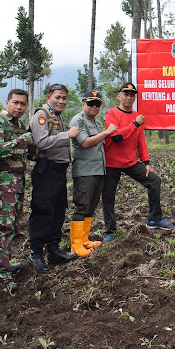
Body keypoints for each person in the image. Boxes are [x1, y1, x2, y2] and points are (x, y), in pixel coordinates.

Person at [102, 82, 173, 243]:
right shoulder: (111, 114)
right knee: (108, 197)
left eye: (132, 95)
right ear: (119, 96)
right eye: (125, 94)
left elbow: (141, 141)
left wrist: (146, 162)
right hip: (111, 163)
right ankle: (110, 231)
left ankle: (154, 219)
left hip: (130, 162)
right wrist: (135, 124)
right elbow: (116, 137)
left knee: (154, 180)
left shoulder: (137, 116)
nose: (128, 97)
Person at [0, 89, 33, 290]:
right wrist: (22, 142)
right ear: (7, 102)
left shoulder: (18, 124)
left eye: (23, 104)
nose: (19, 107)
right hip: (1, 184)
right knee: (2, 227)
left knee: (12, 226)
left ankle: (4, 264)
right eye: (15, 103)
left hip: (16, 183)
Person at [27, 84, 79, 272]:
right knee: (43, 211)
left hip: (58, 171)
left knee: (58, 210)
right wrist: (68, 135)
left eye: (64, 98)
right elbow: (41, 142)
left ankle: (53, 250)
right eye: (57, 97)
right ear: (49, 96)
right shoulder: (42, 116)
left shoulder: (57, 116)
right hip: (46, 171)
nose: (61, 101)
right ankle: (36, 253)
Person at [69, 91, 117, 257]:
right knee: (82, 205)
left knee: (91, 206)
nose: (94, 107)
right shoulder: (78, 120)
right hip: (84, 171)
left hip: (98, 171)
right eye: (91, 104)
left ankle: (84, 240)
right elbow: (86, 142)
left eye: (97, 104)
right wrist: (106, 132)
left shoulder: (96, 122)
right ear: (83, 104)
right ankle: (75, 245)